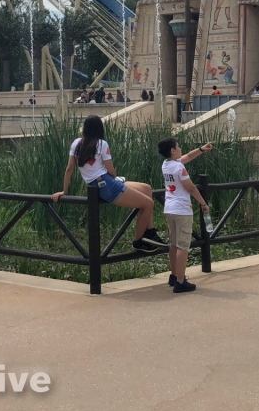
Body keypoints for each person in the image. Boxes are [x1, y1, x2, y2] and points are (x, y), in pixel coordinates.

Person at [51, 116, 165, 252]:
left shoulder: (76, 143)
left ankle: (150, 232)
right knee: (148, 204)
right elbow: (111, 170)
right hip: (106, 184)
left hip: (99, 184)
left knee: (146, 188)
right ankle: (138, 242)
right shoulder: (101, 144)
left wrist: (64, 191)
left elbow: (69, 168)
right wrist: (115, 180)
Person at [158, 137, 213, 293]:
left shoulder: (166, 164)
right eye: (178, 146)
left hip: (169, 208)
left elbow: (187, 157)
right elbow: (191, 188)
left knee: (174, 243)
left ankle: (174, 275)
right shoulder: (179, 168)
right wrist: (203, 203)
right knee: (183, 245)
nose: (180, 148)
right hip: (182, 209)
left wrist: (201, 149)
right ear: (173, 151)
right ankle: (181, 282)